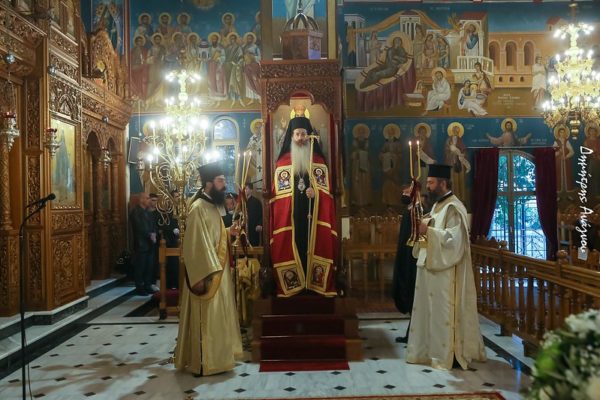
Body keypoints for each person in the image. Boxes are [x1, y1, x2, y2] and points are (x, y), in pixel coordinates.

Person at [406, 164, 486, 370]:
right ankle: (428, 352)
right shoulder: (437, 206)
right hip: (431, 266)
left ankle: (445, 354)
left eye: (431, 183)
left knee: (442, 313)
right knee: (429, 312)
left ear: (443, 183)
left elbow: (454, 240)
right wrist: (423, 227)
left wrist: (428, 230)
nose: (428, 186)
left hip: (445, 272)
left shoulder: (453, 208)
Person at [174, 161, 243, 376]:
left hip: (218, 271)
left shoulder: (213, 206)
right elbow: (195, 246)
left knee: (219, 317)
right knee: (207, 318)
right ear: (209, 183)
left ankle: (221, 357)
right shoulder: (197, 208)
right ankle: (205, 362)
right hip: (207, 273)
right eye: (220, 181)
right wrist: (203, 275)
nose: (224, 185)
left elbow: (214, 236)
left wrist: (228, 232)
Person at [270, 116, 337, 297]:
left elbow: (328, 194)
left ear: (310, 136)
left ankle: (314, 284)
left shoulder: (318, 161)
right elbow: (277, 197)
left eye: (304, 134)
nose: (300, 138)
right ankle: (294, 285)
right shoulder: (282, 163)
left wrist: (316, 193)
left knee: (313, 245)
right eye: (297, 134)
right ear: (291, 137)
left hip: (313, 217)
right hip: (291, 218)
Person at [391, 184, 428, 343]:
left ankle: (415, 336)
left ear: (414, 193)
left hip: (413, 260)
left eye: (406, 191)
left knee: (416, 295)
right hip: (407, 258)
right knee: (412, 295)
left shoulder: (419, 211)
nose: (403, 193)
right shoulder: (410, 210)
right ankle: (412, 334)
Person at [129, 192, 156, 296]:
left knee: (149, 267)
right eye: (147, 198)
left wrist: (154, 233)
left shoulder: (148, 211)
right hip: (141, 244)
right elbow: (139, 227)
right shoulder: (135, 212)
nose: (149, 200)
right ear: (141, 199)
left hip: (150, 244)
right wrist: (149, 234)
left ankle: (147, 286)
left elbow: (152, 224)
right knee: (140, 267)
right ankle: (140, 287)